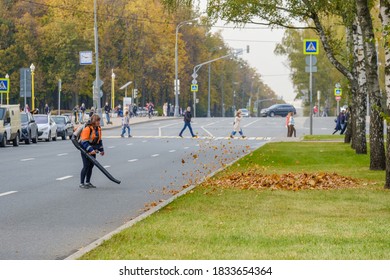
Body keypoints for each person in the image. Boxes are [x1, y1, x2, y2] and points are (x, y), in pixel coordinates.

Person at [79, 114, 105, 189]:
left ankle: (87, 182)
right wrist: (91, 150)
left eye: (99, 120)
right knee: (86, 166)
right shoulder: (87, 129)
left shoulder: (98, 128)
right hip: (85, 150)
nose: (99, 122)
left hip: (93, 150)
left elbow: (99, 141)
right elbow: (84, 142)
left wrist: (102, 150)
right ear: (93, 121)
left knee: (91, 166)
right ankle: (81, 183)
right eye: (97, 120)